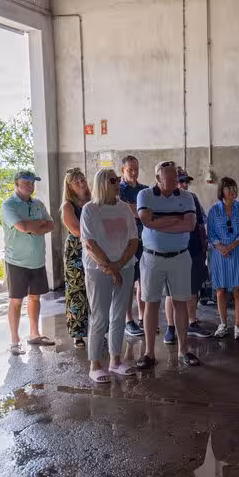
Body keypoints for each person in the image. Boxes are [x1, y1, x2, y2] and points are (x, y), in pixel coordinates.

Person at [135, 160, 200, 369]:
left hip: (180, 257)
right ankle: (149, 353)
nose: (175, 182)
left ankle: (184, 351)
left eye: (176, 178)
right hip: (152, 258)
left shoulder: (187, 197)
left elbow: (189, 225)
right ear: (157, 179)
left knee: (181, 302)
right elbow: (146, 220)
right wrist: (175, 220)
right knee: (151, 303)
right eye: (169, 178)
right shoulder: (145, 195)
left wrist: (158, 222)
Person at [81, 169, 139, 383]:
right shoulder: (90, 210)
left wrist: (119, 265)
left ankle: (116, 360)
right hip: (99, 270)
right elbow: (90, 244)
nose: (119, 183)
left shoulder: (124, 208)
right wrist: (111, 268)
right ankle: (95, 364)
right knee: (100, 317)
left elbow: (134, 240)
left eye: (118, 179)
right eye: (114, 180)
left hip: (124, 266)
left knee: (118, 316)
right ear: (103, 183)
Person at [1, 170, 56, 356]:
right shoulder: (9, 205)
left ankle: (34, 334)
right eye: (26, 182)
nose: (30, 185)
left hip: (37, 260)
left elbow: (51, 225)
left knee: (35, 298)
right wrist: (36, 225)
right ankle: (14, 341)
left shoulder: (38, 204)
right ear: (16, 184)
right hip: (16, 261)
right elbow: (22, 227)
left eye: (32, 182)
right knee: (16, 300)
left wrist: (34, 226)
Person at [164, 167, 211, 344]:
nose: (184, 184)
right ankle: (171, 327)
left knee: (192, 290)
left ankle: (192, 322)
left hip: (194, 250)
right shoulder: (163, 200)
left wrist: (203, 247)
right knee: (170, 292)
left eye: (186, 181)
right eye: (181, 181)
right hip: (172, 253)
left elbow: (200, 225)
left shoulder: (193, 199)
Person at [207, 177, 239, 340]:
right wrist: (220, 247)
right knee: (220, 290)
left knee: (238, 289)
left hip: (237, 252)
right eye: (228, 188)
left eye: (234, 188)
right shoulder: (214, 210)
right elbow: (210, 233)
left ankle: (238, 327)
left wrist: (230, 247)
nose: (232, 191)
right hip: (219, 254)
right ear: (222, 191)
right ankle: (223, 324)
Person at [60, 168, 91, 348]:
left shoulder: (93, 201)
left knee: (94, 290)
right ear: (70, 186)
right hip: (76, 250)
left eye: (82, 179)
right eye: (76, 181)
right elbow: (77, 230)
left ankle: (96, 330)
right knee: (76, 291)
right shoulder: (68, 206)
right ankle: (77, 334)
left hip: (95, 247)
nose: (81, 182)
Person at [118, 155, 149, 337]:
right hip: (127, 242)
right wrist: (139, 210)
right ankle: (128, 320)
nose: (134, 172)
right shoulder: (119, 190)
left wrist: (135, 209)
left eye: (136, 168)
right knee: (129, 283)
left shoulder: (144, 190)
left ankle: (143, 318)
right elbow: (124, 209)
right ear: (123, 170)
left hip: (145, 240)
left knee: (143, 282)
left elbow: (148, 212)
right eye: (130, 169)